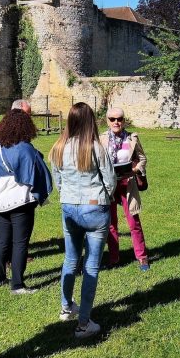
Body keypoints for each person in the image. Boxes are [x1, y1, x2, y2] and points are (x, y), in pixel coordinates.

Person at [49, 102, 116, 339]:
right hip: (93, 206)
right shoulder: (95, 147)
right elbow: (110, 179)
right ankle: (83, 323)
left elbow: (57, 178)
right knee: (91, 266)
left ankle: (66, 306)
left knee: (70, 259)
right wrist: (104, 197)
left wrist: (66, 195)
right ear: (90, 121)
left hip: (69, 206)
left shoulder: (58, 146)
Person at [0, 109, 52, 294]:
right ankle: (17, 285)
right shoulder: (25, 148)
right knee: (20, 243)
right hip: (21, 202)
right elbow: (38, 172)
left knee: (0, 242)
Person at [100, 107, 150, 272]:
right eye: (112, 119)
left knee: (133, 222)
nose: (116, 122)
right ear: (107, 121)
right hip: (109, 186)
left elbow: (142, 158)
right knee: (111, 224)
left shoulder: (132, 138)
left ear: (124, 120)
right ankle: (114, 258)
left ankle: (142, 257)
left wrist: (136, 169)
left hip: (127, 184)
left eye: (119, 119)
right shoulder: (101, 139)